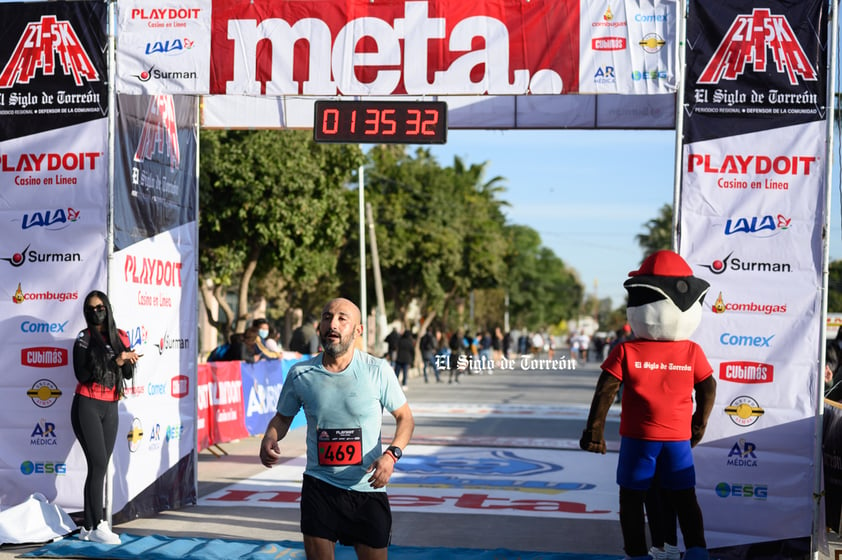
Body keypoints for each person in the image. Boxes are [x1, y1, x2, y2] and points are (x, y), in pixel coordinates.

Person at [259, 297, 414, 560]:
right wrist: (270, 436)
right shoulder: (300, 374)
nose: (333, 324)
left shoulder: (377, 371)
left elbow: (405, 418)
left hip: (367, 488)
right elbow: (282, 418)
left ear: (358, 330)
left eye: (343, 318)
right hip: (320, 487)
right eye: (327, 316)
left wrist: (391, 455)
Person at [71, 290, 140, 545]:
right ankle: (100, 524)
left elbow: (129, 373)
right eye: (90, 308)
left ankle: (88, 528)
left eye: (100, 307)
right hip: (87, 404)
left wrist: (126, 360)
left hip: (111, 405)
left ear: (107, 308)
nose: (96, 311)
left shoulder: (120, 336)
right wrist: (114, 360)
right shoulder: (84, 338)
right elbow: (82, 374)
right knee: (99, 464)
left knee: (98, 466)